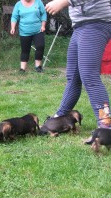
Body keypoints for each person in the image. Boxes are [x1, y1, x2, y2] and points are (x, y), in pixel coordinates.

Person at [45, 0, 111, 129]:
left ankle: (106, 124)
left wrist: (65, 1)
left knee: (89, 76)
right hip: (81, 25)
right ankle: (60, 116)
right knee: (73, 77)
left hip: (96, 22)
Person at [10, 0, 47, 73]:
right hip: (24, 31)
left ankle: (38, 67)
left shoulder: (38, 2)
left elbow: (43, 14)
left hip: (38, 30)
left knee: (40, 46)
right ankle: (22, 69)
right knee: (25, 50)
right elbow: (14, 16)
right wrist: (13, 27)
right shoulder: (18, 4)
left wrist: (43, 25)